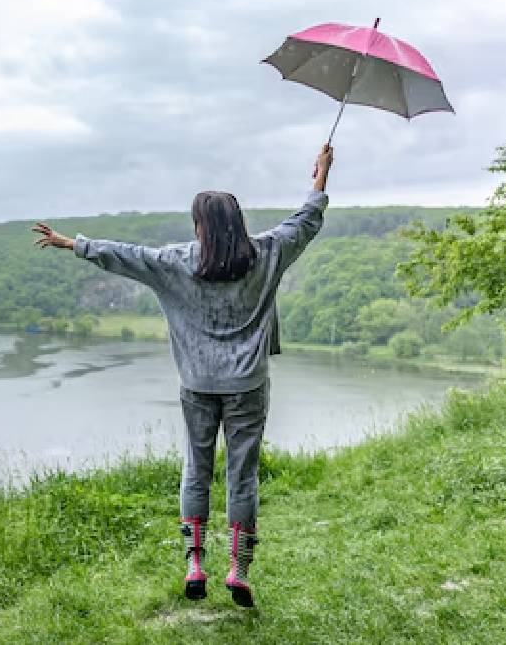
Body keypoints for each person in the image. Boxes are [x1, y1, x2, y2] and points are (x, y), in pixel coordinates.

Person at [31, 144, 333, 607]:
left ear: (199, 226)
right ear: (238, 223)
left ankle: (195, 562)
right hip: (247, 386)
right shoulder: (267, 254)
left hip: (197, 385)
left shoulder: (176, 262)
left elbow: (127, 255)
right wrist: (320, 177)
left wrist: (73, 244)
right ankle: (239, 569)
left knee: (197, 469)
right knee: (242, 476)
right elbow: (305, 222)